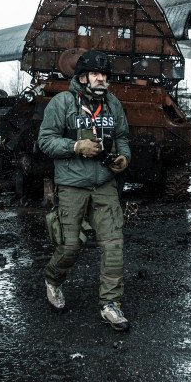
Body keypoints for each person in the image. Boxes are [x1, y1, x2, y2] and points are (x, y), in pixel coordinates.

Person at [37, 49, 132, 331]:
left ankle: (110, 304)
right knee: (70, 246)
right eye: (95, 74)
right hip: (71, 185)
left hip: (104, 184)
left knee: (113, 246)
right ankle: (53, 280)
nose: (101, 79)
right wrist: (75, 146)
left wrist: (123, 157)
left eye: (104, 74)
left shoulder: (113, 104)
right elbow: (45, 141)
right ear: (82, 77)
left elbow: (123, 138)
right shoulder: (62, 103)